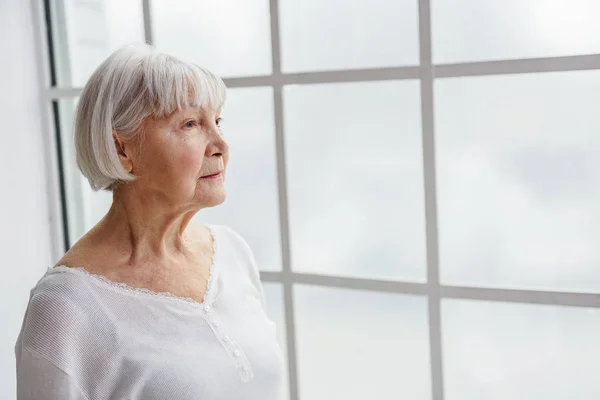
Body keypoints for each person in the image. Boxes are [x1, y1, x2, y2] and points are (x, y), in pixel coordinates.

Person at [15, 44, 285, 400]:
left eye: (217, 121)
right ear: (122, 150)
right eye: (190, 124)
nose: (220, 143)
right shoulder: (64, 311)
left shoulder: (233, 253)